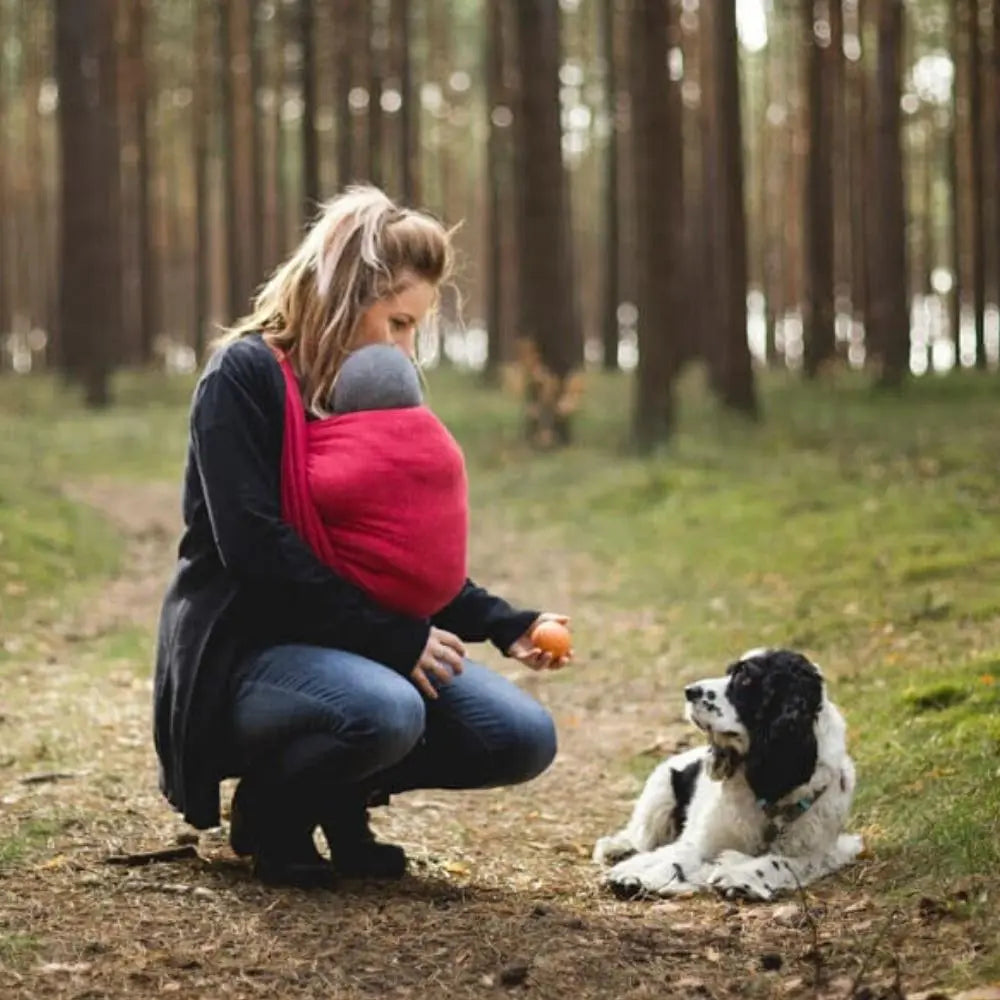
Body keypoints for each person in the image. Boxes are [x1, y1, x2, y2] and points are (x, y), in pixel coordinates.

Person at [153, 185, 571, 889]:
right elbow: (255, 553)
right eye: (398, 322)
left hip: (351, 651)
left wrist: (506, 624)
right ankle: (274, 812)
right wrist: (395, 640)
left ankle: (330, 795)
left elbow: (397, 556)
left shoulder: (372, 393)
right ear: (348, 295)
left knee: (520, 738)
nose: (407, 348)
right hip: (247, 653)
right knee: (386, 706)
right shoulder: (242, 377)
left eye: (416, 330)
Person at [280, 341, 469, 620]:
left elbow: (307, 478)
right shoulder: (444, 442)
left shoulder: (338, 448)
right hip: (437, 594)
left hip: (360, 605)